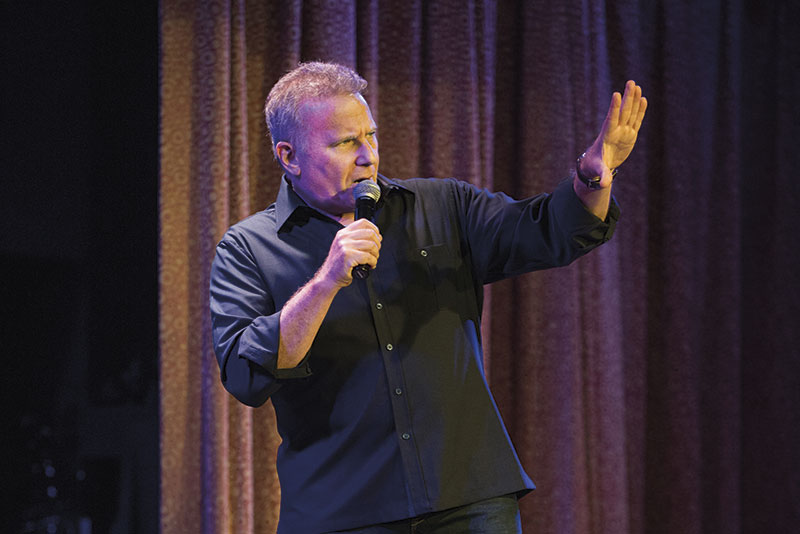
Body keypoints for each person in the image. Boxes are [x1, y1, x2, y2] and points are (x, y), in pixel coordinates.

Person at [210, 62, 647, 533]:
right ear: (289, 156)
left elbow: (547, 231)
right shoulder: (248, 248)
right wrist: (325, 282)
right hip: (343, 512)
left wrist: (593, 178)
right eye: (345, 143)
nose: (368, 156)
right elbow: (245, 374)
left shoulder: (440, 206)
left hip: (469, 500)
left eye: (371, 136)